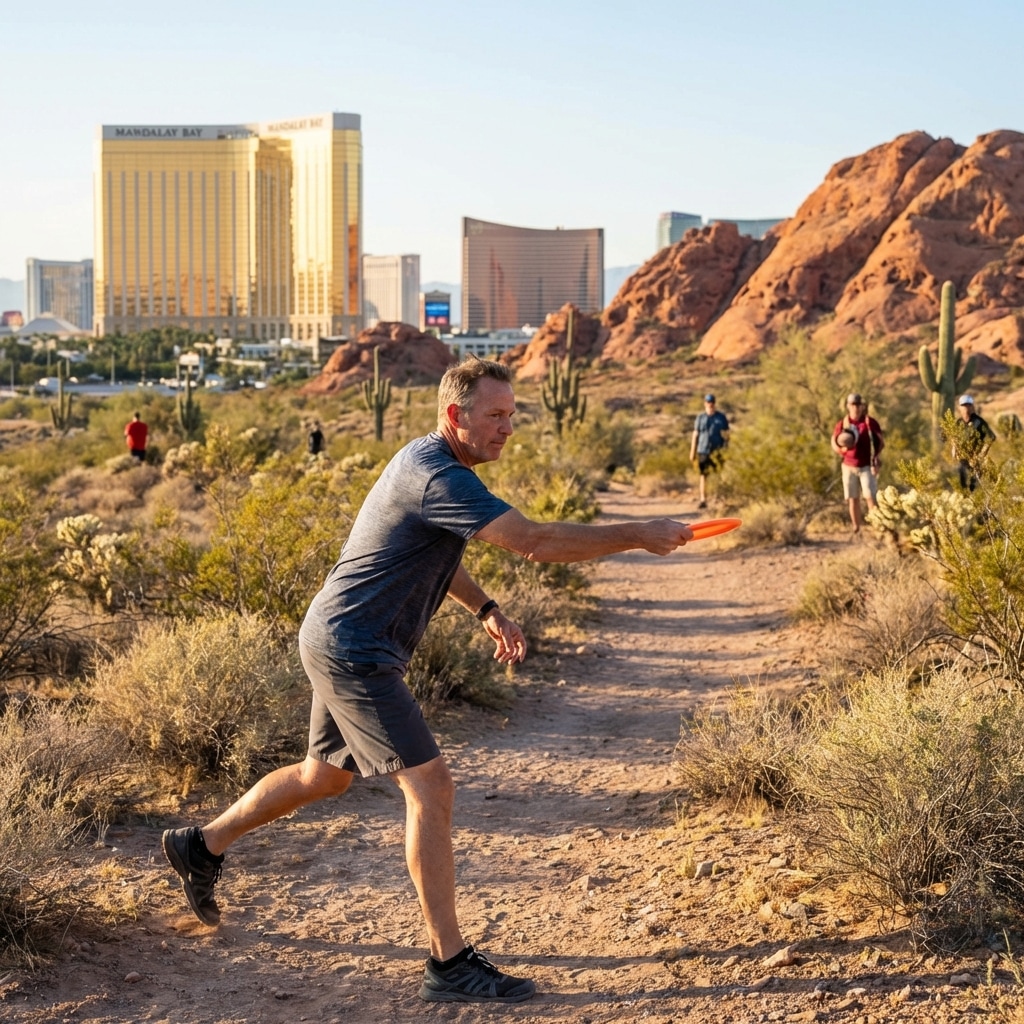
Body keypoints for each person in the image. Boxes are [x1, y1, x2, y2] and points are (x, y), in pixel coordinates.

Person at [161, 358, 694, 1005]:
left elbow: (442, 555)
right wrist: (639, 532)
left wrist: (486, 608)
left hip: (340, 640)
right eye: (495, 416)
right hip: (354, 649)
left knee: (323, 776)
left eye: (512, 416)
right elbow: (533, 541)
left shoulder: (437, 467)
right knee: (431, 784)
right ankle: (449, 963)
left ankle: (200, 845)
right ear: (455, 416)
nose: (507, 429)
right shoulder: (435, 472)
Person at [831, 393, 884, 534]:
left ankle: (877, 527)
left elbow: (880, 442)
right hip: (848, 466)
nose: (855, 407)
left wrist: (876, 459)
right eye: (853, 404)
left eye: (858, 404)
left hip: (866, 465)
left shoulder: (869, 422)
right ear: (848, 406)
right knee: (852, 498)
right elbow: (834, 441)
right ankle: (856, 528)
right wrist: (842, 449)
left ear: (862, 406)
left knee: (870, 496)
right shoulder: (843, 424)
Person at [689, 393, 729, 509]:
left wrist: (727, 450)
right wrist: (693, 451)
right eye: (708, 402)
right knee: (703, 475)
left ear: (714, 403)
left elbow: (726, 434)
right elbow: (695, 434)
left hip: (717, 450)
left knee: (719, 475)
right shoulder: (700, 418)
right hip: (703, 450)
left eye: (712, 402)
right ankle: (703, 499)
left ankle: (720, 498)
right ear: (705, 403)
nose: (710, 404)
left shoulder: (721, 417)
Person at [954, 394, 996, 491]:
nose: (966, 408)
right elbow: (954, 435)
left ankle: (974, 496)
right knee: (961, 471)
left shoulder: (979, 422)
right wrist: (954, 447)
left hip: (976, 455)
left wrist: (983, 451)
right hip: (963, 454)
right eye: (964, 406)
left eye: (968, 405)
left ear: (972, 407)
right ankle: (964, 495)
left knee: (974, 478)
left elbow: (992, 436)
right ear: (960, 408)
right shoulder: (959, 422)